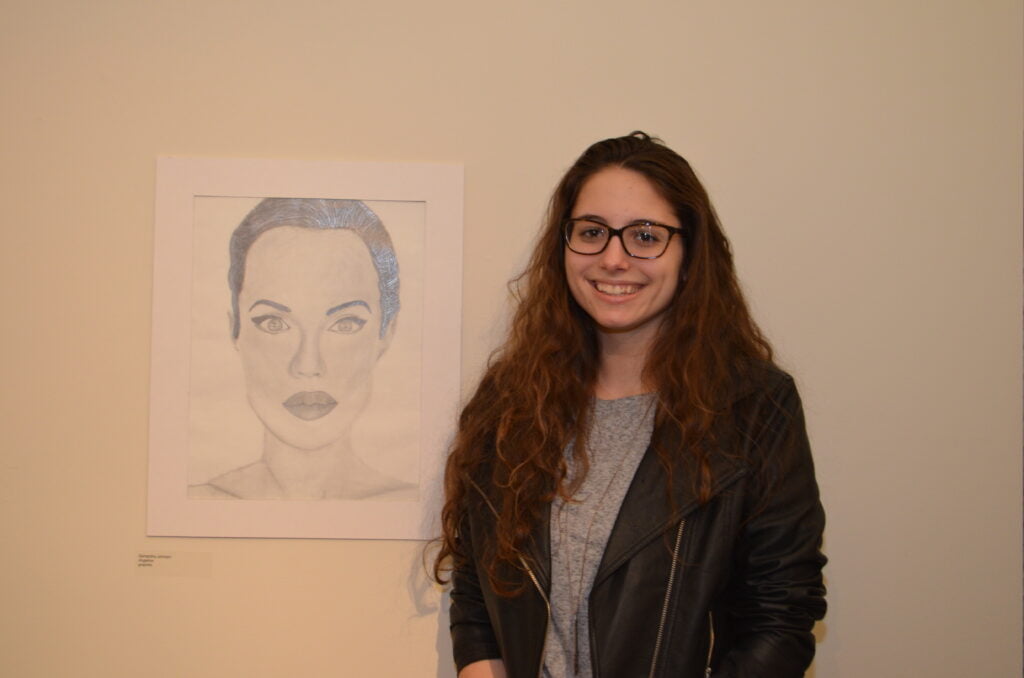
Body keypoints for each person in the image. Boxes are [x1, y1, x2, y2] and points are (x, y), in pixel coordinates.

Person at [433, 133, 826, 677]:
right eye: (591, 232)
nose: (614, 259)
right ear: (563, 246)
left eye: (645, 236)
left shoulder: (755, 407)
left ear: (689, 255)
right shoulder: (510, 401)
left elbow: (781, 615)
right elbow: (478, 584)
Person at [190, 197, 416, 500]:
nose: (308, 365)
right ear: (235, 331)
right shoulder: (198, 501)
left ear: (386, 332)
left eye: (345, 324)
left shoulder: (414, 505)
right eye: (274, 323)